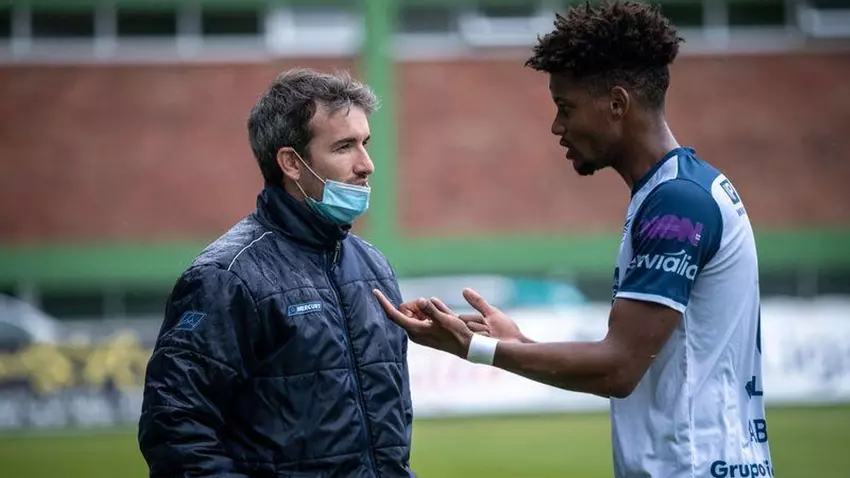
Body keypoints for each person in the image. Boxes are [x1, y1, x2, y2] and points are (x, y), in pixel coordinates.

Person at [373, 2, 774, 477]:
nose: (557, 126)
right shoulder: (677, 191)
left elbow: (619, 367)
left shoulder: (678, 204)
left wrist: (474, 348)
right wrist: (520, 342)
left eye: (566, 108)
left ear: (617, 104)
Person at [139, 68, 415, 477]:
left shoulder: (373, 266)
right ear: (291, 163)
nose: (366, 164)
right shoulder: (225, 277)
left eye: (365, 143)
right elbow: (175, 430)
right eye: (344, 147)